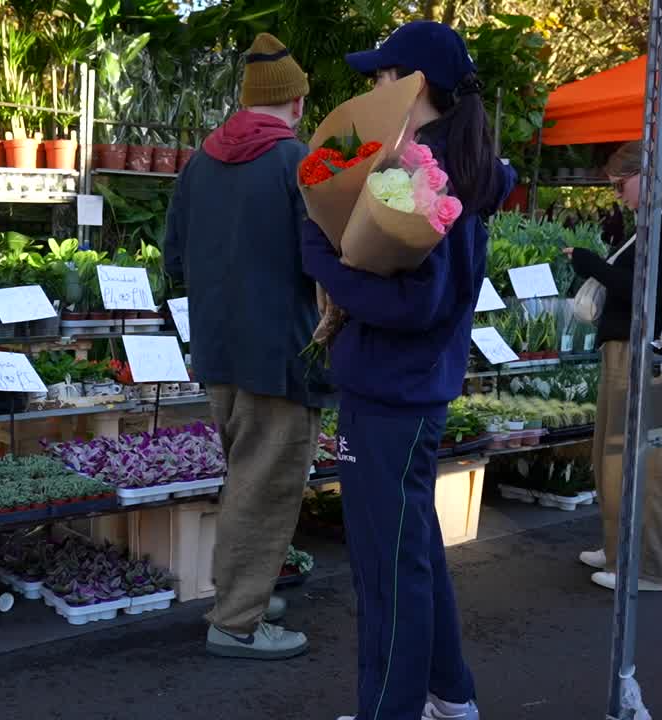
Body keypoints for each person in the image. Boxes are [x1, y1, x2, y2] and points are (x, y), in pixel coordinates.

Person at [301, 21, 514, 720]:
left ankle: (388, 711)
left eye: (382, 77)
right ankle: (451, 695)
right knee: (411, 550)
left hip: (392, 394)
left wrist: (321, 256)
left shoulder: (433, 174)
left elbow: (416, 302)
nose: (373, 89)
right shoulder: (444, 163)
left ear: (415, 85)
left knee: (387, 570)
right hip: (408, 388)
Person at [163, 33, 333, 661]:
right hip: (280, 353)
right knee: (265, 488)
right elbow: (325, 258)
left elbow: (174, 258)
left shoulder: (201, 163)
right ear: (292, 100)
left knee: (243, 480)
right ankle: (237, 622)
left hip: (218, 350)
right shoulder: (298, 162)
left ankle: (243, 595)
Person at [565, 142, 662, 593]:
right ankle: (617, 551)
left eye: (618, 184)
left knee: (648, 465)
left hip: (652, 355)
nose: (616, 194)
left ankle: (645, 568)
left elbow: (652, 293)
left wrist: (590, 263)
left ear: (647, 175)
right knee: (613, 457)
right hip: (631, 350)